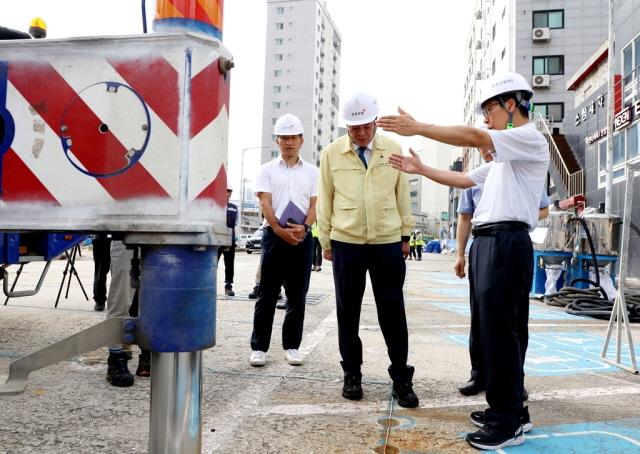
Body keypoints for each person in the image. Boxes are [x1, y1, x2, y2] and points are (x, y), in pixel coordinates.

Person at [378, 72, 549, 449]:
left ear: (511, 104)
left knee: (503, 332)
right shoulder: (505, 159)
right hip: (490, 243)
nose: (485, 119)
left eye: (489, 110)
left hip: (506, 242)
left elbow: (474, 137)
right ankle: (510, 408)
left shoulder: (529, 138)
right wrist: (421, 170)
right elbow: (464, 180)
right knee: (494, 331)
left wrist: (419, 127)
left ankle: (508, 421)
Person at [317, 91, 419, 408]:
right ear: (346, 127)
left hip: (387, 242)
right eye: (353, 128)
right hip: (346, 243)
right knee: (348, 313)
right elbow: (325, 199)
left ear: (375, 122)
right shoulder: (331, 154)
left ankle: (401, 378)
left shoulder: (393, 149)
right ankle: (352, 374)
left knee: (393, 313)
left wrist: (405, 234)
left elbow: (402, 192)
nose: (360, 133)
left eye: (365, 126)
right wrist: (326, 241)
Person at [455, 183, 550, 398]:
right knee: (480, 313)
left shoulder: (521, 170)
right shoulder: (473, 179)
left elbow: (544, 208)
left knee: (516, 314)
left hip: (514, 239)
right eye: (483, 148)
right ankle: (479, 374)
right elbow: (465, 217)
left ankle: (516, 378)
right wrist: (460, 254)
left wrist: (522, 215)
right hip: (482, 241)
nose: (488, 151)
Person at [249, 113, 318, 367]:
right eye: (283, 138)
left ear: (301, 140)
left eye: (293, 137)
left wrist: (305, 227)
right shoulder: (266, 171)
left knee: (297, 295)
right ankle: (259, 348)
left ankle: (292, 346)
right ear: (277, 141)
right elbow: (265, 203)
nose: (288, 142)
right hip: (273, 237)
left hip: (302, 237)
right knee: (267, 294)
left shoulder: (313, 172)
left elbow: (314, 205)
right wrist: (279, 230)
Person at [105, 240, 150, 387]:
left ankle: (148, 354)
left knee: (154, 297)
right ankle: (116, 358)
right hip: (125, 232)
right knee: (121, 297)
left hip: (160, 232)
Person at [218, 184, 238, 296]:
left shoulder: (234, 208)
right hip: (217, 239)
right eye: (225, 191)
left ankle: (228, 286)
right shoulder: (215, 206)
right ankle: (210, 284)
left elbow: (237, 224)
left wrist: (236, 240)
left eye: (229, 191)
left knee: (229, 264)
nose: (227, 193)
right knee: (213, 262)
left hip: (230, 240)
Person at [91, 233, 111, 312]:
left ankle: (100, 300)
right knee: (100, 272)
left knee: (101, 271)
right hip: (101, 237)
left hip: (103, 237)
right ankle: (99, 300)